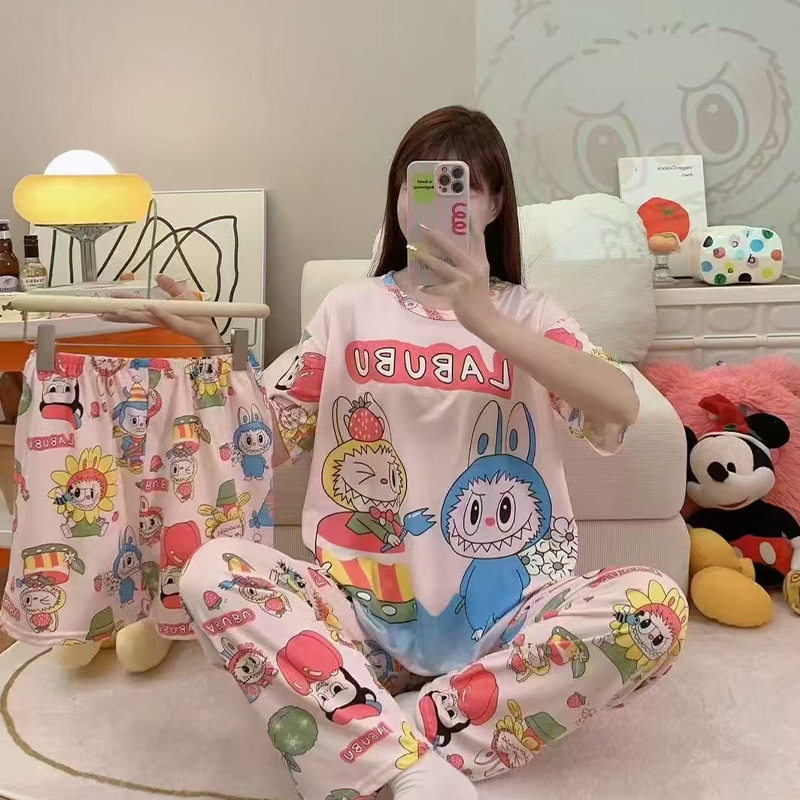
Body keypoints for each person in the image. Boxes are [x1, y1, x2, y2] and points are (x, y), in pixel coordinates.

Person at [124, 107, 688, 800]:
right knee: (212, 572)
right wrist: (215, 343)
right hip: (357, 616)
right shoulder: (349, 309)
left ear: (495, 204)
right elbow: (263, 438)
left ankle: (379, 736)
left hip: (507, 622)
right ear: (396, 198)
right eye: (418, 184)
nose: (441, 202)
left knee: (653, 609)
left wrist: (485, 319)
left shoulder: (533, 315)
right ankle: (418, 757)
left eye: (464, 185)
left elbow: (618, 406)